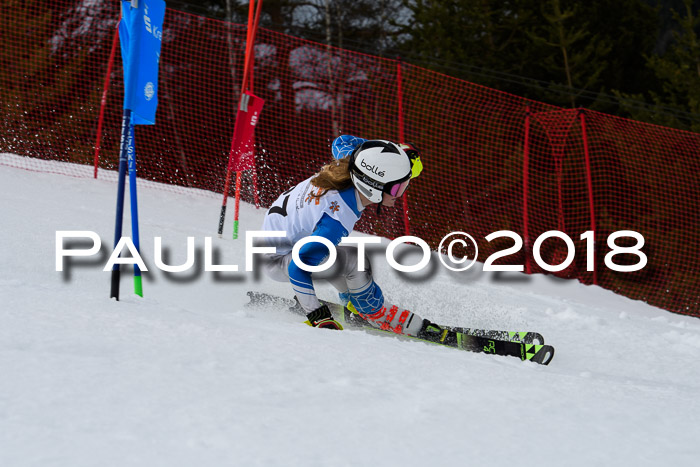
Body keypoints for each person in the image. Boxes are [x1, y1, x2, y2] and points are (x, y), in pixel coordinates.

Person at [260, 136, 449, 343]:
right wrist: (317, 316)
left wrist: (389, 152)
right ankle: (374, 312)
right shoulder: (336, 220)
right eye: (397, 188)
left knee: (336, 256)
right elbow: (298, 267)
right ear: (374, 188)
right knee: (354, 261)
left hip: (285, 238)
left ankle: (353, 301)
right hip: (277, 261)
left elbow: (341, 141)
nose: (401, 194)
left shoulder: (353, 162)